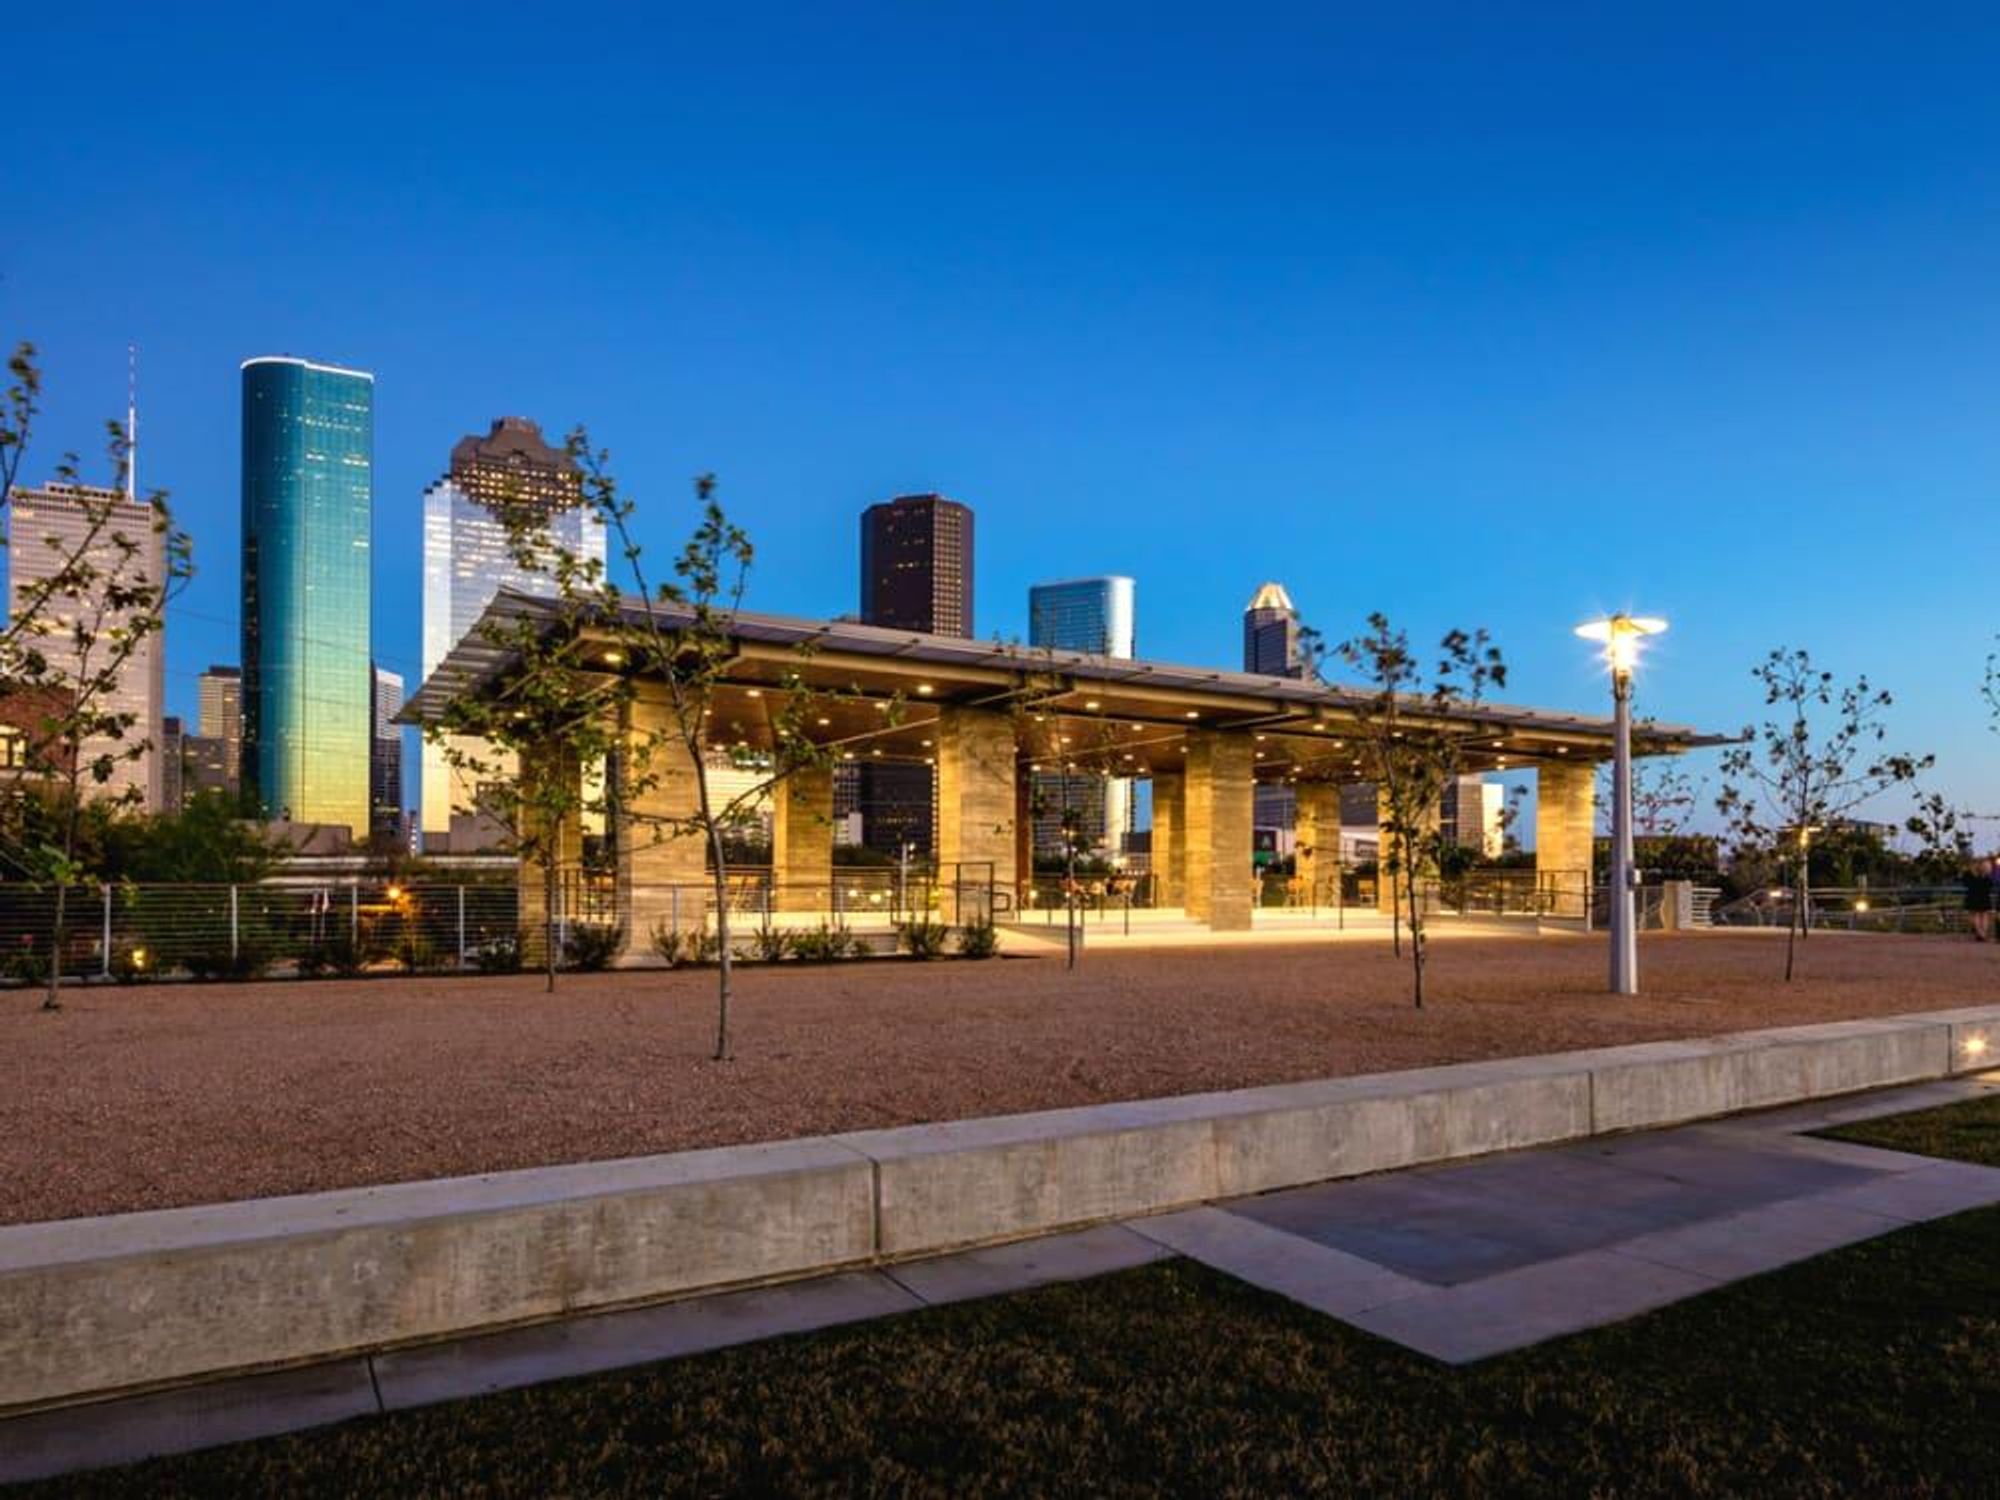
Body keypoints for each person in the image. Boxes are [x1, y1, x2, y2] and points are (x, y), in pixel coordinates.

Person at [1967, 856, 1995, 943]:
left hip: (1973, 896)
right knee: (1984, 916)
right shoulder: (1986, 875)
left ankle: (1980, 934)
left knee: (1976, 915)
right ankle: (1983, 934)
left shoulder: (1970, 874)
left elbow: (1966, 883)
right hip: (1984, 897)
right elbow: (1991, 885)